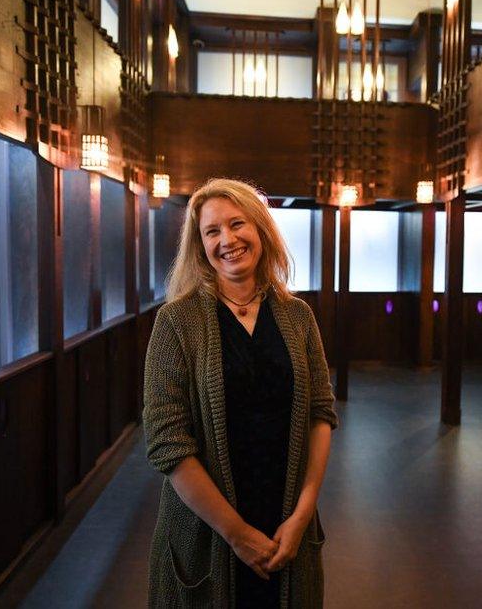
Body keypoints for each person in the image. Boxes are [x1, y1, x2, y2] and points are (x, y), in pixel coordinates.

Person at [143, 178, 338, 608]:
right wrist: (237, 534)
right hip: (205, 534)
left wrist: (302, 517)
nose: (227, 240)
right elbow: (167, 444)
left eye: (237, 224)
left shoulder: (297, 316)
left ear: (261, 231)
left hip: (287, 525)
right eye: (212, 232)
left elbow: (321, 415)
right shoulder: (176, 322)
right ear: (200, 246)